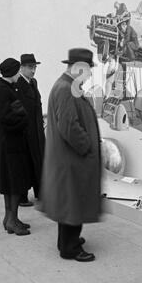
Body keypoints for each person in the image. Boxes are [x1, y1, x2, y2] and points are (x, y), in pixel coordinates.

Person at [41, 48, 102, 262]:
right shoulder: (66, 89)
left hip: (69, 159)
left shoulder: (67, 86)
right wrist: (87, 146)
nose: (89, 75)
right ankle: (70, 248)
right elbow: (69, 127)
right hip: (73, 160)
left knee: (70, 203)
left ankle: (66, 241)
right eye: (87, 71)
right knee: (73, 204)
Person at [0, 58, 32, 236]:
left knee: (11, 181)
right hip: (11, 141)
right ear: (14, 72)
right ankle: (12, 220)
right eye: (18, 71)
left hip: (10, 140)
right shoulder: (2, 90)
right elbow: (0, 116)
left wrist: (20, 116)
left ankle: (10, 218)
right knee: (14, 182)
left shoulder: (6, 88)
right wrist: (22, 121)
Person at [17, 54, 45, 206]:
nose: (33, 70)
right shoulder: (18, 84)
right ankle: (22, 197)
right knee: (25, 164)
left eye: (35, 67)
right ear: (21, 68)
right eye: (30, 67)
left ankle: (40, 193)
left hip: (36, 130)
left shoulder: (33, 82)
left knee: (38, 161)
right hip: (25, 131)